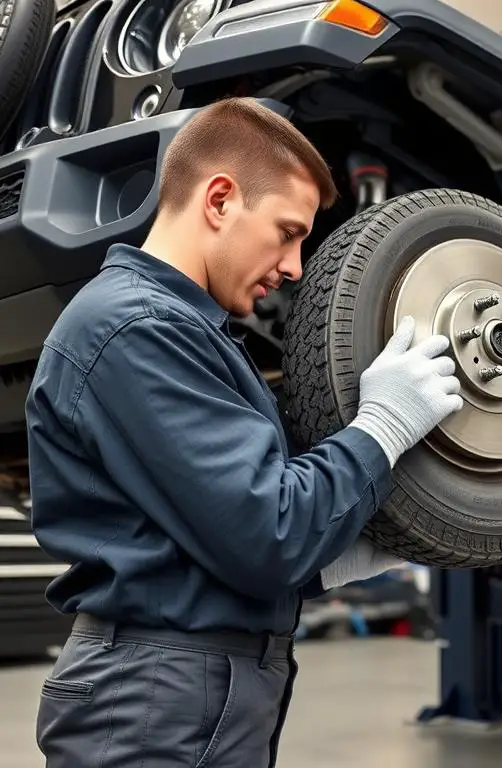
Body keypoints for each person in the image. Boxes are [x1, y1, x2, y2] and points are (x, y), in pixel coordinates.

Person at [24, 97, 463, 767]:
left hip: (187, 684)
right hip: (156, 696)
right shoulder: (138, 329)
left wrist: (357, 545)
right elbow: (269, 533)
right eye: (288, 231)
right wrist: (384, 425)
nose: (294, 265)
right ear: (220, 200)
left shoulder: (188, 333)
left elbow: (216, 541)